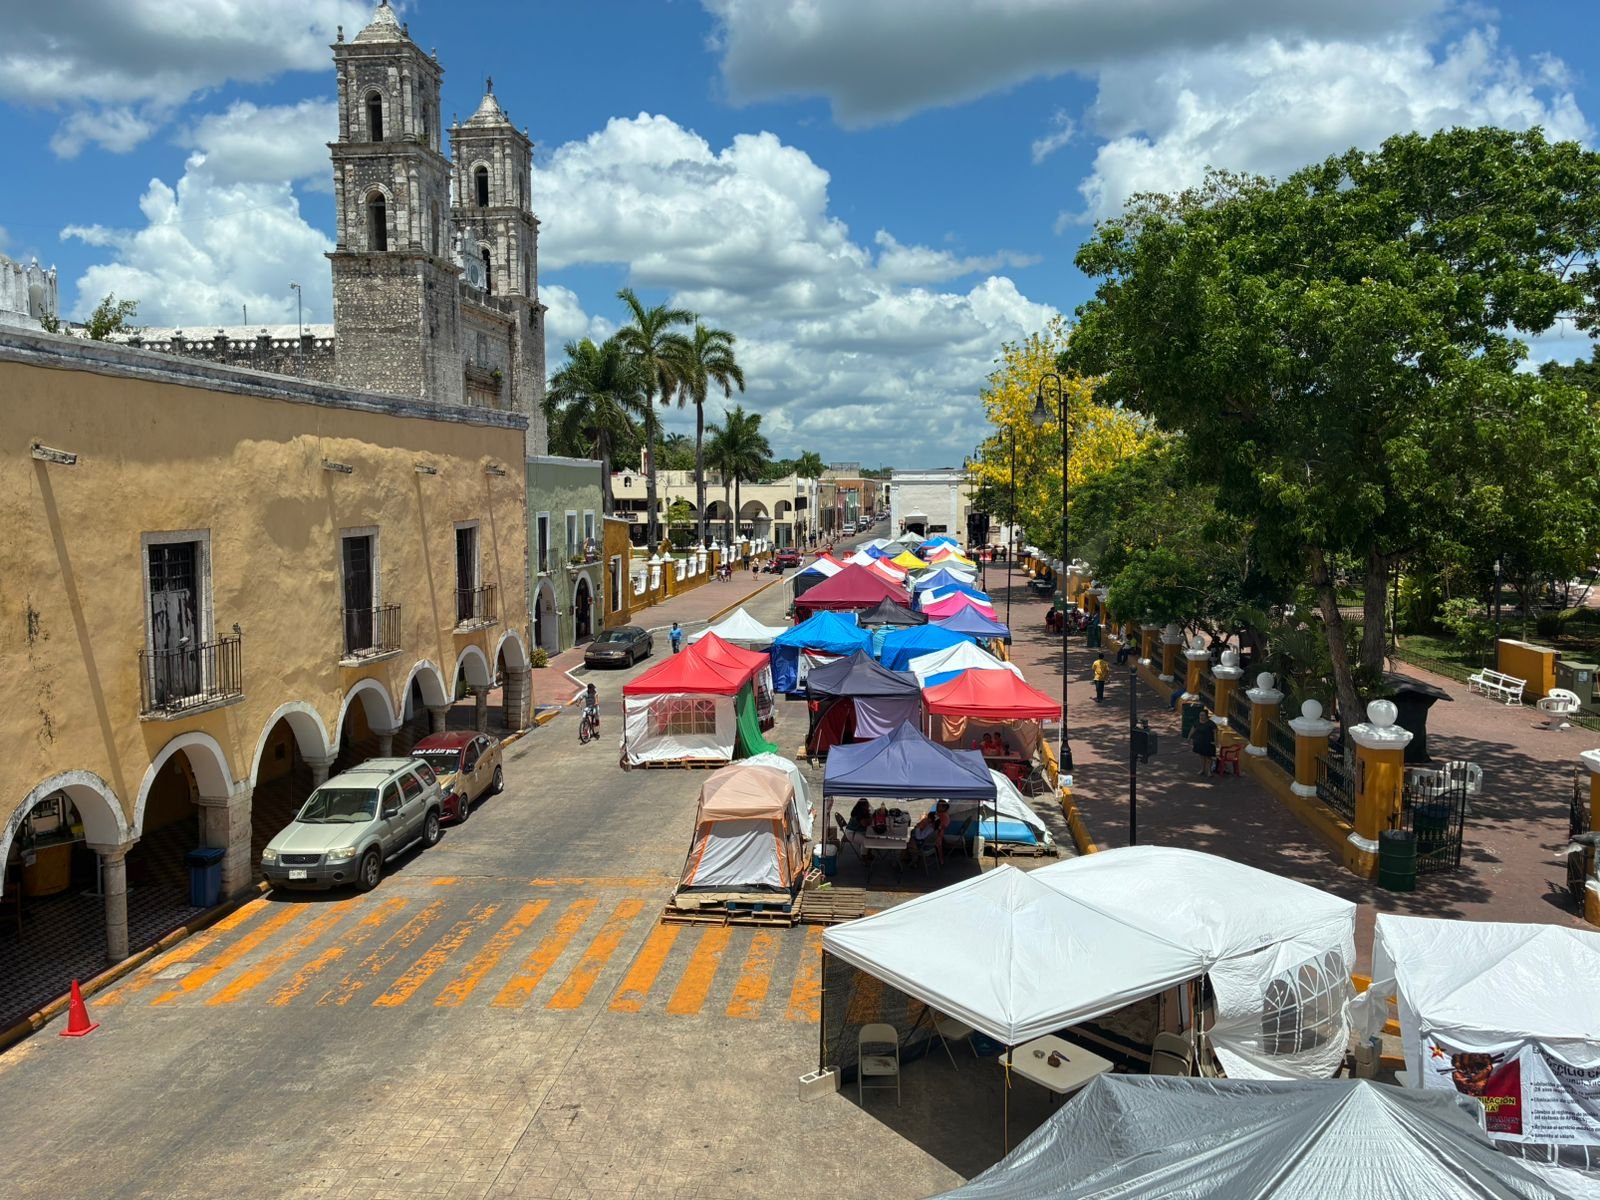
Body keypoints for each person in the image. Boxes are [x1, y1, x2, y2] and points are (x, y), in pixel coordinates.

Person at [1190, 707, 1218, 775]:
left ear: (1206, 716)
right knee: (1201, 756)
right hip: (1200, 742)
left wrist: (1215, 741)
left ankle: (1209, 771)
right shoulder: (1197, 722)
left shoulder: (1211, 724)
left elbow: (1215, 733)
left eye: (1203, 715)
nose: (1201, 717)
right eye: (1200, 715)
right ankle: (1202, 769)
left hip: (1208, 742)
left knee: (1208, 757)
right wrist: (1189, 738)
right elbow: (1193, 730)